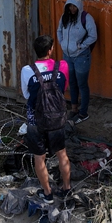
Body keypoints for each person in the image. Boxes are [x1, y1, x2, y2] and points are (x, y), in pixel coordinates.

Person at [21, 34, 72, 201]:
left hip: (36, 119)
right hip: (57, 117)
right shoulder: (62, 65)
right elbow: (64, 87)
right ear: (50, 50)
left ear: (35, 51)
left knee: (39, 157)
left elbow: (26, 94)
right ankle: (66, 188)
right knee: (61, 154)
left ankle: (47, 193)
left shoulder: (27, 70)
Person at [56, 0, 98, 123]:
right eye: (70, 6)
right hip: (67, 55)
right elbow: (59, 30)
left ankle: (83, 113)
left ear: (79, 6)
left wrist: (81, 46)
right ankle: (74, 109)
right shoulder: (65, 17)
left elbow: (93, 35)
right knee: (72, 82)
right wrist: (62, 43)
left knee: (82, 84)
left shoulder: (86, 18)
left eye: (74, 6)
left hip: (81, 56)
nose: (72, 9)